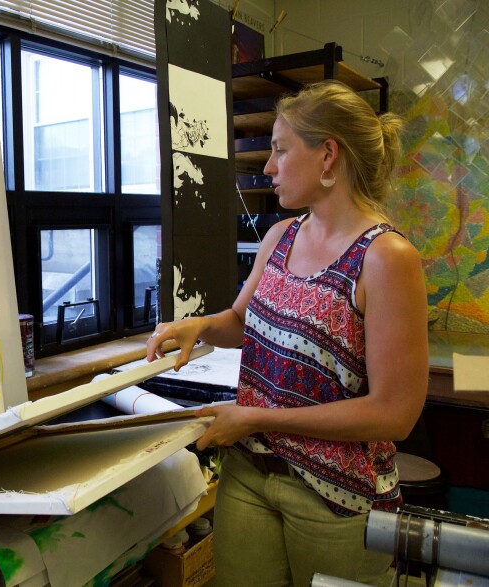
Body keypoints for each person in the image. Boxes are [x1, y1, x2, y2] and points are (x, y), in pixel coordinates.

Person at [147, 80, 428, 587]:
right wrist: (200, 326)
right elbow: (240, 322)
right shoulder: (281, 236)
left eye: (279, 149)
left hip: (336, 497)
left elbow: (395, 412)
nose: (267, 167)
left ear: (327, 155)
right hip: (250, 475)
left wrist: (253, 417)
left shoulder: (386, 260)